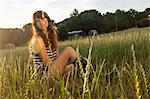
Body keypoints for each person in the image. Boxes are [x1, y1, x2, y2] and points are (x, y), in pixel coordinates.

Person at [29, 10, 87, 78]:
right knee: (69, 51)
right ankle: (87, 70)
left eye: (43, 18)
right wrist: (63, 64)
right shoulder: (37, 39)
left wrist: (65, 64)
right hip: (44, 76)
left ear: (47, 20)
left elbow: (57, 58)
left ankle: (86, 74)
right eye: (38, 21)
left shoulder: (52, 36)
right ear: (35, 25)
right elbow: (48, 64)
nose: (41, 22)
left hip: (54, 69)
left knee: (74, 66)